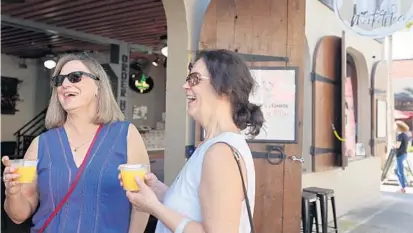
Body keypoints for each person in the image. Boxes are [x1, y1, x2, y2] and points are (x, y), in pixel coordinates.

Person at [2, 53, 150, 233]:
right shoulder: (41, 144)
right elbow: (19, 215)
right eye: (59, 80)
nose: (65, 84)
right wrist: (12, 192)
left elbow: (142, 203)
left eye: (75, 77)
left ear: (98, 85)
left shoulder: (126, 135)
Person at [123, 49, 264, 233]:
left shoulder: (220, 153)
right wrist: (157, 190)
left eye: (195, 79)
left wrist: (154, 208)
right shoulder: (211, 146)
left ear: (225, 88)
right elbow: (191, 209)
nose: (185, 86)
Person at [393, 120, 410, 193]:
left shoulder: (400, 135)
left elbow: (397, 145)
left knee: (400, 171)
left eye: (395, 126)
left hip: (399, 155)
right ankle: (402, 184)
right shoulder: (405, 135)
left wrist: (393, 145)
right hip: (404, 154)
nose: (394, 127)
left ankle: (402, 187)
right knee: (396, 170)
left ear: (398, 127)